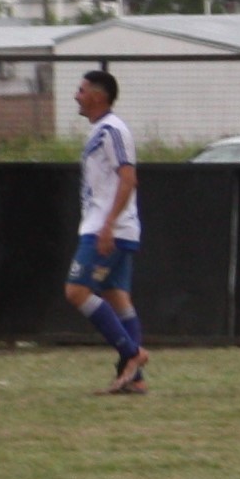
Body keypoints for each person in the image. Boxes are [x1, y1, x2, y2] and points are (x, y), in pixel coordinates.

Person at [66, 69, 150, 394]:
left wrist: (108, 225)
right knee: (117, 297)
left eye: (81, 89)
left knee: (76, 291)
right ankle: (136, 380)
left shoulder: (112, 130)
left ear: (98, 96)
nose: (77, 95)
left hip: (108, 230)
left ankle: (132, 354)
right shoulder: (100, 131)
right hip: (111, 227)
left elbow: (129, 178)